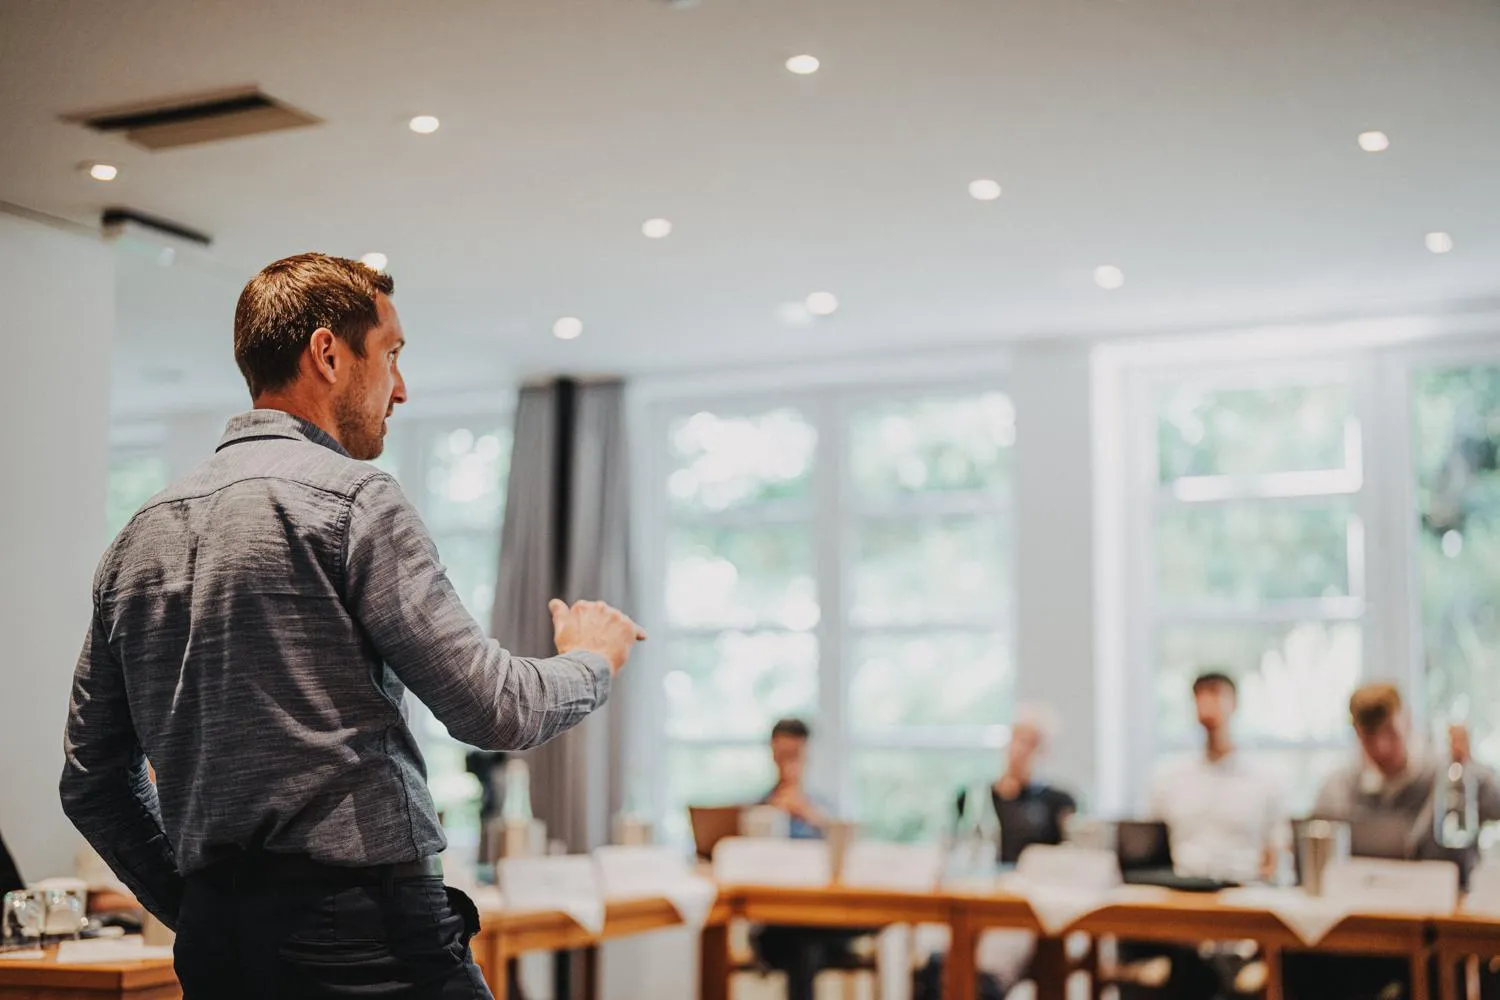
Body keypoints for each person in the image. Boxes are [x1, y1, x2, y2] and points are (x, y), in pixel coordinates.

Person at [59, 253, 645, 999]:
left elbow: (91, 781)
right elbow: (494, 707)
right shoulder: (353, 500)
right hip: (368, 943)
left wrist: (204, 908)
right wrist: (592, 659)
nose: (400, 388)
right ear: (328, 354)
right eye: (391, 354)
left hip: (219, 953)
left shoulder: (136, 538)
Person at [1285, 682, 1500, 1000]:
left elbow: (1495, 806)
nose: (1382, 748)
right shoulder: (1339, 786)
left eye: (1390, 733)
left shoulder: (1447, 774)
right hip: (1363, 932)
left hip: (1436, 933)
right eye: (1369, 738)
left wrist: (1468, 767)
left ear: (1407, 721)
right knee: (1302, 961)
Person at [1149, 672, 1286, 883]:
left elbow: (1279, 852)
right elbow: (1150, 849)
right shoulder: (1169, 779)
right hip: (1183, 888)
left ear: (1235, 703)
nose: (1207, 703)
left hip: (1245, 887)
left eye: (1216, 693)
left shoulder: (1266, 780)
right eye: (1200, 695)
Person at [954, 703, 1076, 865]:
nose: (1019, 750)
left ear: (1043, 751)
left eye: (1030, 743)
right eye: (1016, 739)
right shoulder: (976, 799)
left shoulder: (1059, 802)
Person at [762, 717, 831, 839]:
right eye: (783, 755)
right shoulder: (758, 808)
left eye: (795, 755)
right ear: (773, 755)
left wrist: (809, 814)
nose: (788, 765)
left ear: (806, 755)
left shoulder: (825, 809)